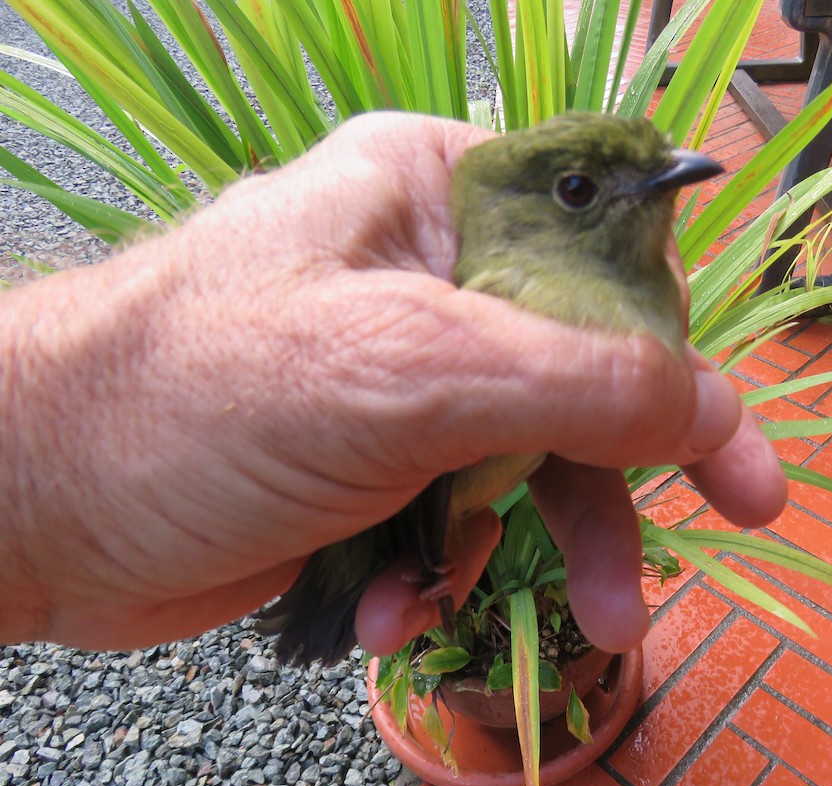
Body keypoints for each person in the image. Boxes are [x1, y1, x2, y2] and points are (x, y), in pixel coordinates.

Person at [0, 112, 786, 661]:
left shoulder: (609, 277)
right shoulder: (511, 287)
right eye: (579, 191)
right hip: (402, 510)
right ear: (522, 215)